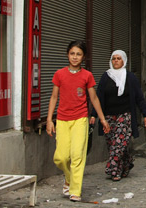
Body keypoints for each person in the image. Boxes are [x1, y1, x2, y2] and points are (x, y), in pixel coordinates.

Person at [46, 40, 110, 202]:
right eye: (72, 53)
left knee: (77, 156)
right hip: (62, 120)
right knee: (60, 158)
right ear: (68, 55)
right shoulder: (59, 74)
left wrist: (102, 119)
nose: (75, 57)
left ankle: (75, 190)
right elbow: (54, 97)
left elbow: (93, 98)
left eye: (79, 54)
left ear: (84, 57)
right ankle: (68, 178)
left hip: (81, 119)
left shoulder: (87, 76)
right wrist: (49, 120)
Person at [90, 50, 146, 182]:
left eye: (119, 58)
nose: (116, 61)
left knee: (119, 144)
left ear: (124, 61)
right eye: (114, 58)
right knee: (113, 144)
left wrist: (145, 114)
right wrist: (94, 114)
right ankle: (126, 163)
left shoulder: (130, 77)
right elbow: (98, 97)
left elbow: (139, 97)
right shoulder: (106, 76)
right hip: (108, 117)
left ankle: (113, 169)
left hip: (125, 115)